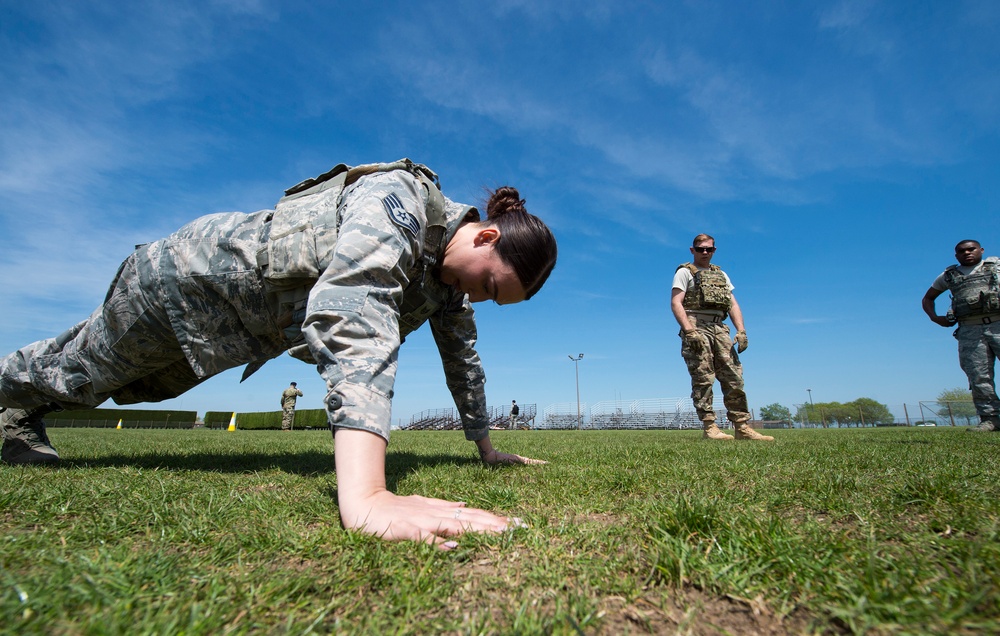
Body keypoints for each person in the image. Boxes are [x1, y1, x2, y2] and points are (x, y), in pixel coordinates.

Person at [0, 158, 558, 547]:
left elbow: (464, 364)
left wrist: (486, 449)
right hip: (184, 283)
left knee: (113, 384)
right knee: (78, 372)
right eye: (488, 286)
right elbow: (354, 309)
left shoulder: (447, 288)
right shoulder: (403, 203)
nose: (476, 297)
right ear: (486, 238)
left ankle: (16, 418)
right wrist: (366, 496)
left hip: (229, 332)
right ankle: (15, 406)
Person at [670, 234, 772, 441]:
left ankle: (742, 426)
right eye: (700, 249)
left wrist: (741, 330)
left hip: (719, 328)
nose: (705, 252)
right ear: (692, 251)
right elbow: (676, 303)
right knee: (703, 377)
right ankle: (710, 427)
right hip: (697, 326)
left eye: (709, 249)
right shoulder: (684, 273)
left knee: (733, 376)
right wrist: (690, 331)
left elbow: (733, 304)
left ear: (714, 250)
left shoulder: (721, 275)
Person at [921, 239, 1000, 432]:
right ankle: (990, 419)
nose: (967, 253)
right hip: (970, 329)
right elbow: (928, 297)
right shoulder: (949, 276)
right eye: (961, 251)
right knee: (978, 375)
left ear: (981, 250)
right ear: (956, 255)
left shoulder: (997, 267)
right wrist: (934, 317)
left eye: (971, 249)